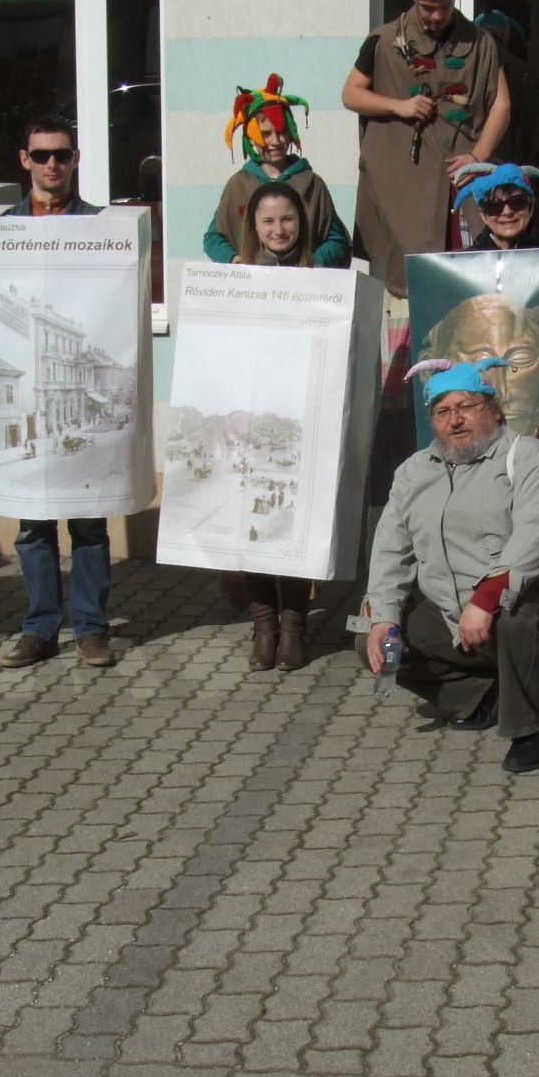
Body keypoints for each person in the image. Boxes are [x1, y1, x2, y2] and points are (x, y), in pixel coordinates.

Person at [365, 359, 539, 774]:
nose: (455, 420)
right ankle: (480, 695)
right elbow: (390, 550)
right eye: (442, 411)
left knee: (517, 618)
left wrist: (485, 600)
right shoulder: (413, 472)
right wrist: (383, 616)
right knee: (371, 636)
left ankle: (529, 730)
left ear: (494, 409)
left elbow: (532, 541)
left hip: (535, 605)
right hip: (453, 613)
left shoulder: (529, 457)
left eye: (466, 406)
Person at [0, 115, 119, 669]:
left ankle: (91, 628)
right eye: (41, 155)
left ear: (75, 159)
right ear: (24, 160)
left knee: (89, 525)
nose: (52, 164)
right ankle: (40, 628)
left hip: (68, 374)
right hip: (31, 382)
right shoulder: (3, 230)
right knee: (33, 527)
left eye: (62, 154)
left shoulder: (101, 227)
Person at [343, 0, 513, 294]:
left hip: (463, 180)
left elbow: (502, 104)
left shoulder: (481, 42)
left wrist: (478, 156)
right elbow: (351, 94)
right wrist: (399, 106)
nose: (436, 15)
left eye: (444, 6)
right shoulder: (384, 41)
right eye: (427, 7)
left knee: (473, 277)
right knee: (412, 279)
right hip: (407, 183)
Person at [230, 181, 320, 672]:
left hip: (302, 420)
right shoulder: (237, 278)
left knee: (294, 525)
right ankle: (264, 626)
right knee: (256, 525)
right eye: (268, 220)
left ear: (301, 223)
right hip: (252, 420)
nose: (278, 229)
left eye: (287, 218)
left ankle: (294, 626)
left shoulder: (321, 279)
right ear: (254, 226)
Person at [204, 76, 348, 269]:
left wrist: (314, 260)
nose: (276, 141)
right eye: (266, 134)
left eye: (282, 131)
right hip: (253, 282)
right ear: (251, 138)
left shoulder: (313, 184)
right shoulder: (238, 185)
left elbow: (337, 240)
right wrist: (232, 259)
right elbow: (214, 238)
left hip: (303, 281)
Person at [451, 163, 539, 253]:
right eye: (495, 206)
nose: (507, 212)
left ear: (531, 206)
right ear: (483, 214)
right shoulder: (467, 263)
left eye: (517, 202)